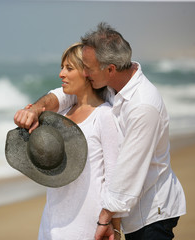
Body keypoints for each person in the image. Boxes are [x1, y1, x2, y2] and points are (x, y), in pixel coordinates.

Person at [14, 23, 186, 240]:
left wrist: (106, 220)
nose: (85, 73)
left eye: (88, 68)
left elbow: (126, 172)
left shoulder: (143, 106)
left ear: (110, 69)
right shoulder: (111, 86)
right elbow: (66, 95)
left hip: (151, 212)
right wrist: (37, 108)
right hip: (123, 208)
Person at [16, 42, 123, 240]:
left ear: (88, 72)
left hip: (88, 225)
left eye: (69, 68)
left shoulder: (104, 115)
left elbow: (114, 176)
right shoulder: (61, 114)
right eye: (62, 67)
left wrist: (114, 228)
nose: (61, 74)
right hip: (52, 220)